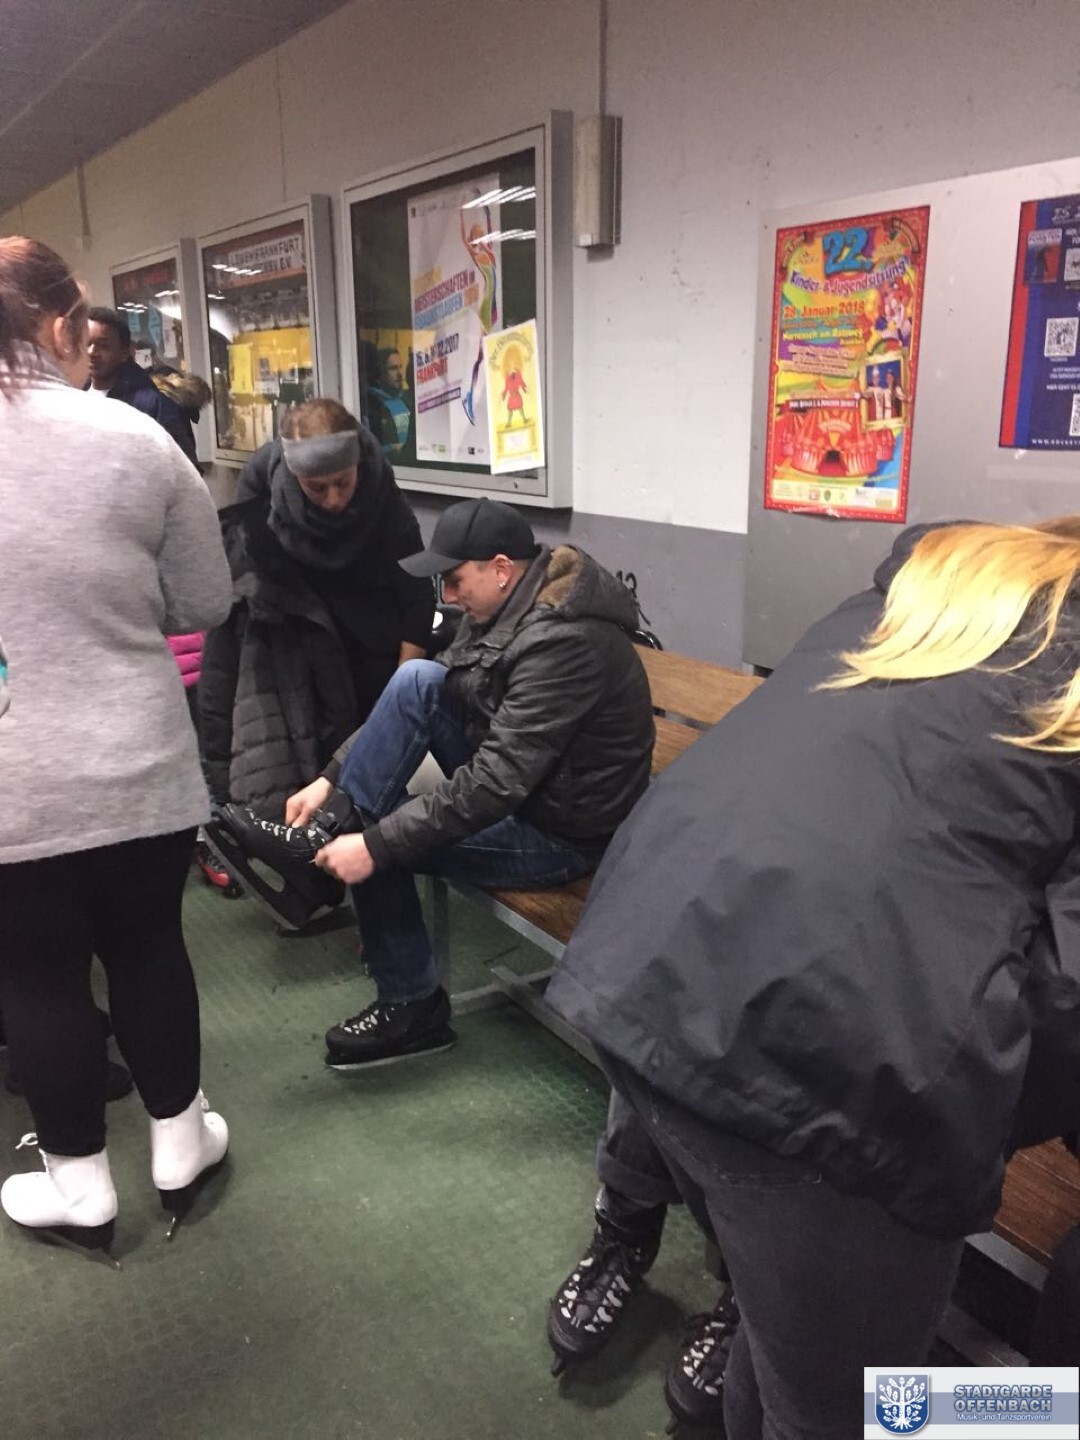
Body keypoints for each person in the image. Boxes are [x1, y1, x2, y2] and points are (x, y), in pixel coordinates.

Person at [542, 518, 1080, 1435]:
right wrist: (961, 1127)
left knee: (791, 1353)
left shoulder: (928, 595)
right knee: (850, 1413)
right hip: (831, 1052)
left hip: (651, 961)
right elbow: (1066, 1002)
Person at [211, 498, 655, 1068]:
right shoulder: (506, 609)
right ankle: (326, 831)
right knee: (417, 679)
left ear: (501, 568)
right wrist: (329, 779)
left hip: (561, 833)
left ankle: (411, 1006)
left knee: (380, 835)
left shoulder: (563, 643)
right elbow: (434, 697)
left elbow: (496, 782)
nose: (448, 595)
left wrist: (373, 843)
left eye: (455, 579)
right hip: (531, 790)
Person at [0, 238, 233, 1255]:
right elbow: (204, 600)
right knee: (148, 946)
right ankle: (181, 1147)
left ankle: (79, 1187)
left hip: (11, 777)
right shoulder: (136, 440)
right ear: (64, 326)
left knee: (36, 976)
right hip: (139, 759)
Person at [198, 398, 434, 836]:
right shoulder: (261, 489)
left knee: (365, 798)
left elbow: (418, 599)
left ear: (358, 464)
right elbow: (247, 589)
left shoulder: (384, 499)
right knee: (297, 794)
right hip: (296, 657)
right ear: (293, 476)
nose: (334, 499)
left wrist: (398, 694)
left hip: (372, 658)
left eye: (343, 482)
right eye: (316, 487)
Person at [86, 306, 201, 464]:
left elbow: (186, 468)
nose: (91, 352)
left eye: (103, 345)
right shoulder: (74, 399)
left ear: (124, 352)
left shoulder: (152, 406)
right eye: (86, 343)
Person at [366, 347, 413, 459]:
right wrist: (392, 449)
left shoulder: (407, 399)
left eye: (400, 367)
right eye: (393, 369)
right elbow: (368, 450)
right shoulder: (372, 405)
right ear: (381, 372)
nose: (399, 374)